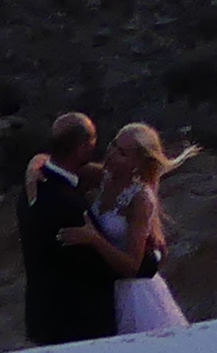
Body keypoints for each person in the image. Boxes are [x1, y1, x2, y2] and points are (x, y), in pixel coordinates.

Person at [68, 123, 195, 333]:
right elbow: (64, 167)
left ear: (137, 163)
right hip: (105, 287)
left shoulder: (140, 199)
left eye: (122, 153)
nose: (111, 153)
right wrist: (34, 167)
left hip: (134, 294)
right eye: (113, 145)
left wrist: (93, 239)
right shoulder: (103, 177)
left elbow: (132, 266)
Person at [19, 114, 116, 345]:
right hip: (78, 324)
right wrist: (148, 261)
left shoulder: (32, 189)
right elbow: (97, 265)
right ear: (82, 147)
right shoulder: (68, 203)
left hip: (44, 316)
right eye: (92, 142)